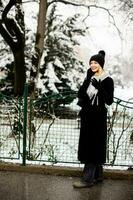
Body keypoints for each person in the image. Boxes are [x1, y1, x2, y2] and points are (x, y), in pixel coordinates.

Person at [73, 50, 114, 188]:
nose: (92, 65)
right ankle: (97, 176)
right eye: (91, 63)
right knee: (88, 144)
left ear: (101, 64)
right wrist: (87, 80)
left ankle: (87, 179)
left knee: (94, 145)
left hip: (98, 117)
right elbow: (81, 95)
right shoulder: (89, 77)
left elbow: (109, 101)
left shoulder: (108, 80)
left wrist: (99, 87)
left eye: (95, 62)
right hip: (87, 116)